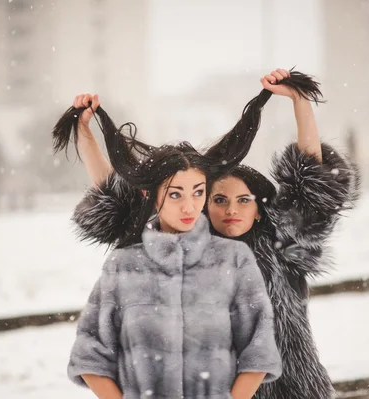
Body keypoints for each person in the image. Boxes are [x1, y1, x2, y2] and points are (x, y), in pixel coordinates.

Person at [61, 68, 360, 398]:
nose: (231, 210)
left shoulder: (278, 242)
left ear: (260, 207)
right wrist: (84, 130)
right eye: (219, 200)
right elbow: (123, 197)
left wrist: (300, 102)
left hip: (291, 390)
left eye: (243, 201)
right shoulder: (185, 249)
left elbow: (311, 188)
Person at [61, 96, 282, 398]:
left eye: (198, 192)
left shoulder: (233, 260)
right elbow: (90, 353)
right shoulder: (123, 265)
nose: (190, 206)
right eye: (175, 194)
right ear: (150, 194)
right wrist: (84, 129)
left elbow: (258, 349)